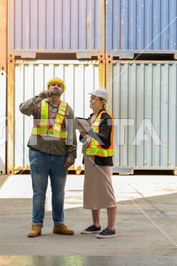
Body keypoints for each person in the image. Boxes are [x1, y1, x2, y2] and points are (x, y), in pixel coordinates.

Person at [19, 77, 77, 238]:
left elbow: (71, 133)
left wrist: (71, 155)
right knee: (39, 192)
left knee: (59, 192)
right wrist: (39, 96)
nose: (56, 87)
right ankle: (36, 225)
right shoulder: (39, 104)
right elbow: (24, 109)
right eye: (53, 85)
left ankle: (59, 224)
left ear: (63, 90)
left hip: (60, 156)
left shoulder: (67, 108)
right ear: (48, 88)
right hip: (39, 153)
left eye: (59, 85)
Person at [78, 87, 117, 238]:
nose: (91, 100)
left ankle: (111, 228)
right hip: (89, 158)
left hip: (101, 159)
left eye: (94, 98)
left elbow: (104, 139)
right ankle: (96, 225)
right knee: (93, 191)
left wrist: (87, 130)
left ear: (102, 102)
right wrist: (82, 133)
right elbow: (84, 140)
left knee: (107, 193)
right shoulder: (90, 118)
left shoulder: (106, 118)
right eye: (91, 98)